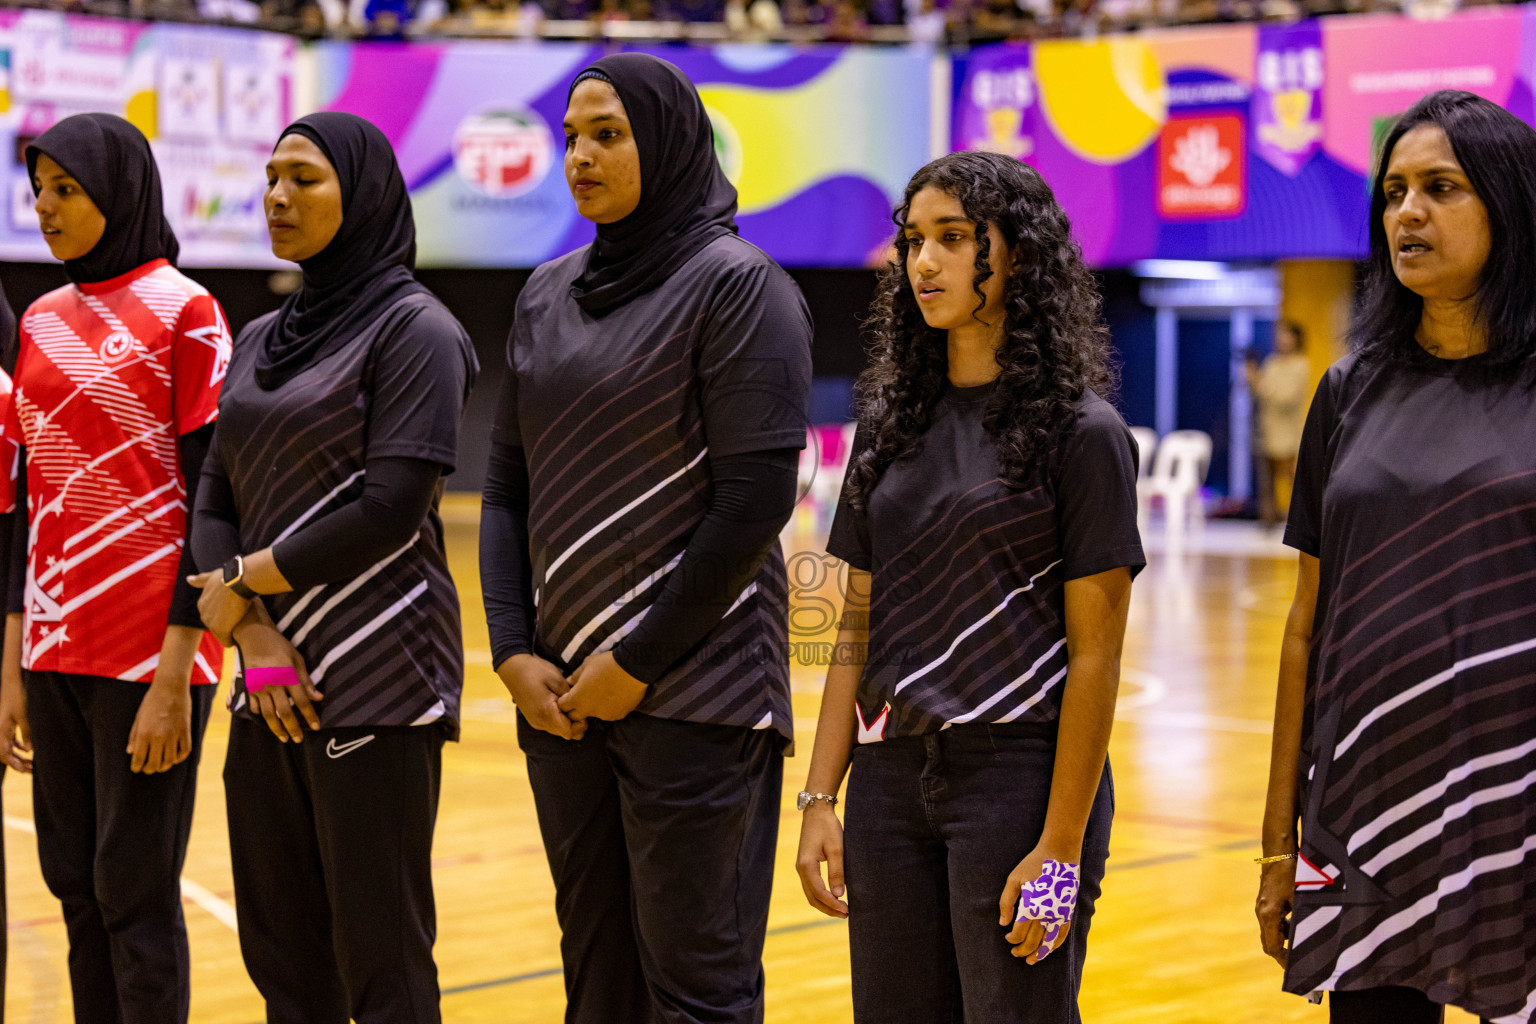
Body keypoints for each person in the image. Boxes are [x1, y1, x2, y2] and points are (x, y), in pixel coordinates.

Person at [479, 53, 812, 1024]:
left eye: (608, 134)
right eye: (572, 136)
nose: (580, 156)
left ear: (667, 143)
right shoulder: (544, 294)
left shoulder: (739, 287)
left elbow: (754, 501)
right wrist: (511, 649)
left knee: (696, 990)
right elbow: (504, 487)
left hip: (700, 696)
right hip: (564, 698)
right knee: (598, 980)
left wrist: (638, 659)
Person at [795, 150, 1142, 1023]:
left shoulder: (1083, 433)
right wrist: (818, 797)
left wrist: (1060, 849)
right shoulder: (886, 429)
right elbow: (851, 632)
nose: (925, 262)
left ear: (1016, 255)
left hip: (1019, 781)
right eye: (914, 240)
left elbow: (1097, 661)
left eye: (954, 239)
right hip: (885, 779)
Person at [188, 111, 476, 1024]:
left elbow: (390, 507)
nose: (278, 196)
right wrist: (254, 630)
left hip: (380, 681)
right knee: (282, 958)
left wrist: (240, 585)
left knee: (381, 962)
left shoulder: (417, 331)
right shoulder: (263, 335)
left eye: (304, 178)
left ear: (362, 193)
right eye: (271, 176)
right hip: (268, 678)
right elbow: (213, 502)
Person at [1256, 90, 1536, 1024]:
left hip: (1516, 798)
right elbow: (1305, 628)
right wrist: (1273, 843)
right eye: (1394, 192)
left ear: (1510, 204)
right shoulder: (1349, 388)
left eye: (1441, 188)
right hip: (1367, 797)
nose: (1406, 213)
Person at [0, 113, 230, 1024]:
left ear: (120, 191)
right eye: (40, 189)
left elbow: (211, 500)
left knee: (133, 893)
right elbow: (25, 508)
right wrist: (14, 662)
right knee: (75, 887)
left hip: (151, 655)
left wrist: (181, 673)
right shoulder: (41, 320)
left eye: (68, 190)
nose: (47, 208)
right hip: (55, 646)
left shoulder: (188, 310)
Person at [1246, 320, 1310, 525]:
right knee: (1267, 482)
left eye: (1286, 334)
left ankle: (1297, 523)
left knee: (1292, 480)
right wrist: (1253, 381)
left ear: (1296, 338)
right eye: (1280, 334)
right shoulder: (1272, 362)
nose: (1281, 338)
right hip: (1266, 429)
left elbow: (1287, 398)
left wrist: (1261, 385)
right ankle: (1268, 519)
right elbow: (1259, 394)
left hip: (1287, 432)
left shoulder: (1301, 365)